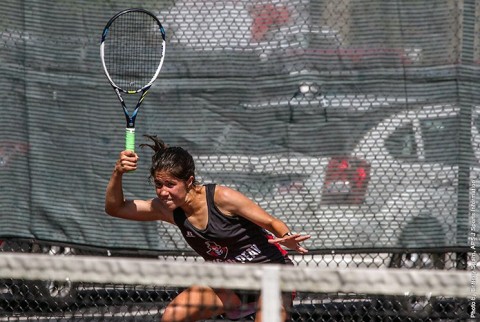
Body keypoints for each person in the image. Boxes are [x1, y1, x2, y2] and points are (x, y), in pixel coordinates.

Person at [105, 135, 311, 322]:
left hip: (272, 275)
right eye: (158, 184)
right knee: (173, 315)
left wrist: (286, 236)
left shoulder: (222, 197)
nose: (163, 192)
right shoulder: (167, 210)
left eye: (170, 184)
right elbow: (116, 208)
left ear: (189, 181)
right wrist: (118, 172)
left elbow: (271, 222)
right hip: (234, 284)